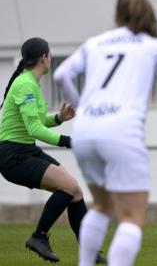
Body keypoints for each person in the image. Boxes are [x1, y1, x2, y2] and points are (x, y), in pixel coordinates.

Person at [53, 0, 157, 266]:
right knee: (131, 217)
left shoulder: (95, 43)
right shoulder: (156, 46)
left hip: (86, 130)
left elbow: (61, 75)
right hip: (121, 131)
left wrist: (84, 109)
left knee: (100, 206)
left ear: (116, 16)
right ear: (150, 16)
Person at [0, 38, 106, 264]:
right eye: (50, 54)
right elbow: (34, 128)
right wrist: (69, 141)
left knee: (75, 190)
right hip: (12, 156)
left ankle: (90, 252)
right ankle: (38, 237)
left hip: (25, 150)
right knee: (68, 188)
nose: (51, 58)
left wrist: (59, 118)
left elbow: (37, 122)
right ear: (44, 58)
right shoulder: (25, 84)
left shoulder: (31, 83)